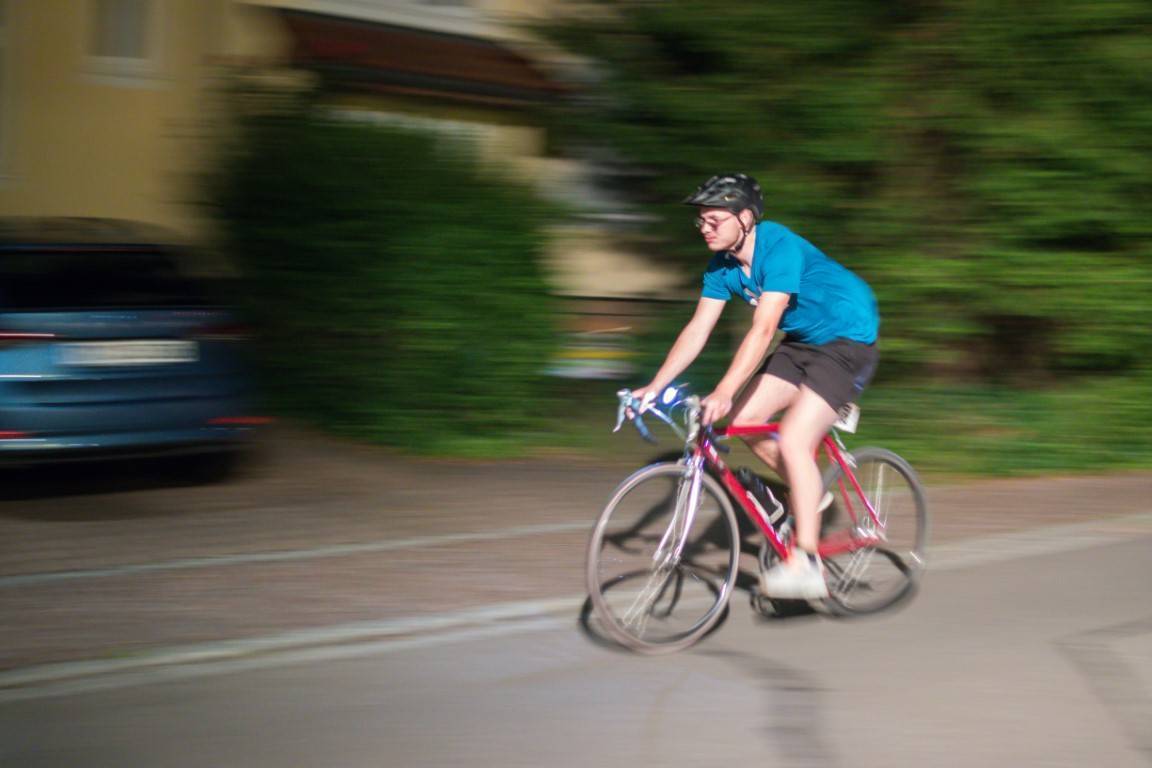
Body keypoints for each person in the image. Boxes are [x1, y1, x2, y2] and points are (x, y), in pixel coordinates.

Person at [631, 173, 879, 599]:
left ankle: (807, 566)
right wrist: (654, 386)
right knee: (744, 421)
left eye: (714, 219)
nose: (705, 228)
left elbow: (763, 330)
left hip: (848, 338)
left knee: (794, 439)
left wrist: (725, 389)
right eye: (701, 220)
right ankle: (811, 494)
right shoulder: (721, 267)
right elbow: (698, 329)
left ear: (745, 218)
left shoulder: (778, 247)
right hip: (802, 341)